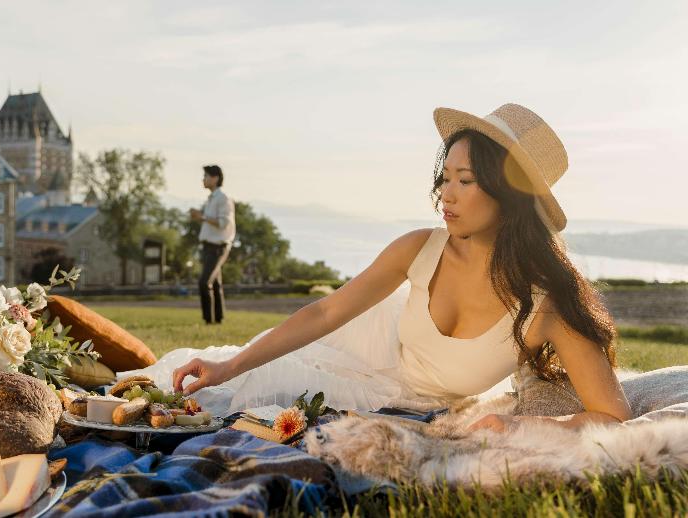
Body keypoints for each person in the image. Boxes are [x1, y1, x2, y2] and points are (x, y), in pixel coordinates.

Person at [172, 104, 632, 432]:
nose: (446, 195)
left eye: (466, 181)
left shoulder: (546, 304)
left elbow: (613, 417)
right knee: (218, 391)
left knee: (257, 403)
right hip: (356, 345)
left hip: (403, 399)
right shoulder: (419, 248)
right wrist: (228, 365)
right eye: (445, 177)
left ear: (508, 195)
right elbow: (326, 314)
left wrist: (526, 430)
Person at [190, 165, 236, 324]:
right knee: (215, 283)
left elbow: (223, 223)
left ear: (215, 178)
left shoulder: (223, 198)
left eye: (206, 176)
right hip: (210, 246)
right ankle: (218, 319)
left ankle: (208, 320)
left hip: (218, 247)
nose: (203, 179)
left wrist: (201, 217)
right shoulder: (212, 199)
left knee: (204, 282)